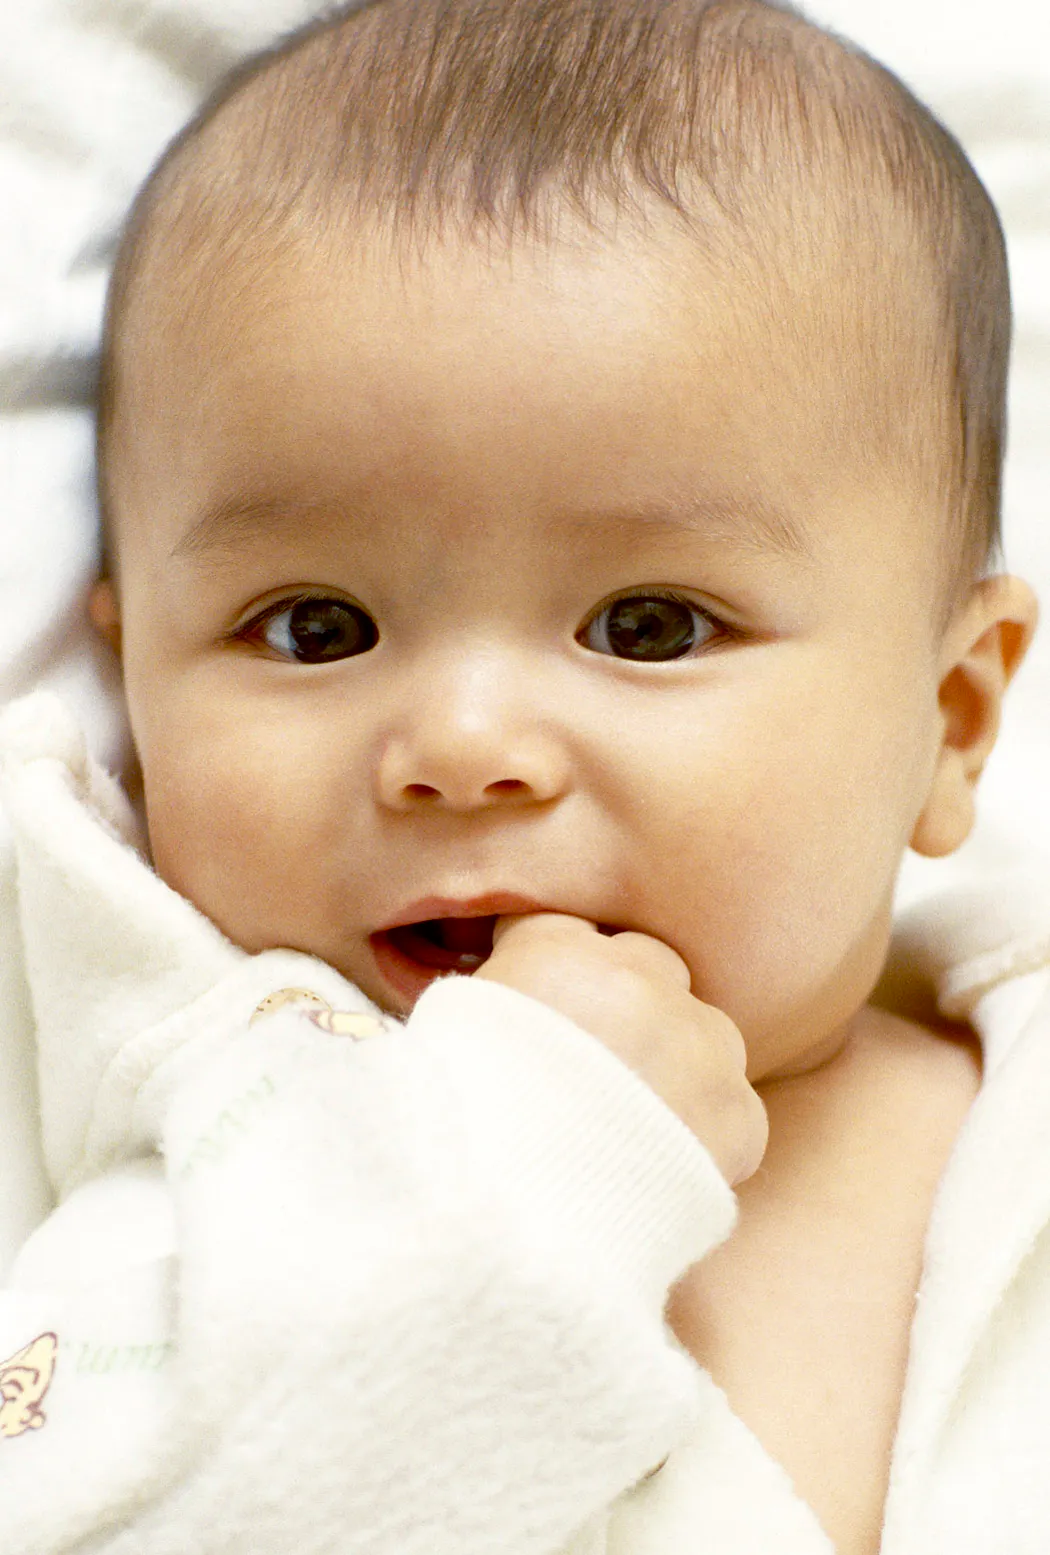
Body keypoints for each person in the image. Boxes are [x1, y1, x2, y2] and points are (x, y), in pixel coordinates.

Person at [1, 0, 1047, 1550]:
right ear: (139, 700)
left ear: (949, 720)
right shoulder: (222, 1181)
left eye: (647, 624)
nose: (462, 749)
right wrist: (527, 1171)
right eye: (313, 627)